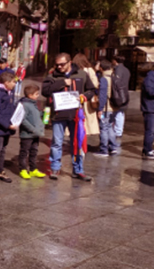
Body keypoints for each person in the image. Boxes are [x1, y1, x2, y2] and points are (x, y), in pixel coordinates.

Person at [42, 52, 97, 181]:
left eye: (62, 64)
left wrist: (84, 97)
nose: (59, 67)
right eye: (57, 65)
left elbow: (91, 90)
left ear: (69, 62)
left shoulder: (81, 74)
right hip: (58, 115)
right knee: (56, 143)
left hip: (75, 114)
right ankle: (55, 168)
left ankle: (78, 170)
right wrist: (62, 82)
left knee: (77, 142)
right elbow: (45, 91)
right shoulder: (52, 76)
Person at [18, 84, 47, 179]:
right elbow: (23, 120)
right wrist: (33, 129)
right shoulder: (25, 105)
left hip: (35, 134)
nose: (38, 96)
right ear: (30, 95)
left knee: (34, 152)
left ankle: (33, 169)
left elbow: (35, 116)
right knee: (24, 152)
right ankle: (23, 169)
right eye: (36, 94)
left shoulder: (33, 104)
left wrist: (42, 113)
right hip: (27, 134)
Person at [94, 59, 121, 157]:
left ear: (101, 68)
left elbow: (103, 95)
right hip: (114, 107)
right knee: (110, 127)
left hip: (106, 108)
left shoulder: (104, 79)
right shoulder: (115, 76)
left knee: (104, 128)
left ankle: (103, 150)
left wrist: (100, 109)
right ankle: (113, 148)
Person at [72, 54, 100, 135]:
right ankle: (84, 134)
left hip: (75, 97)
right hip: (86, 98)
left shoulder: (73, 70)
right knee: (86, 118)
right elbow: (95, 84)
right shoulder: (89, 70)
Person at [110, 55, 131, 138]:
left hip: (118, 94)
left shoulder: (117, 70)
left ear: (115, 61)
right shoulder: (126, 70)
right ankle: (118, 131)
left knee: (118, 113)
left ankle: (117, 132)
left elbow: (116, 83)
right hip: (124, 93)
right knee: (120, 113)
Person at [141, 69, 154, 159]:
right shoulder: (150, 77)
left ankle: (149, 148)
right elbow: (150, 91)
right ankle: (147, 150)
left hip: (153, 108)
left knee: (153, 131)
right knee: (150, 130)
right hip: (150, 108)